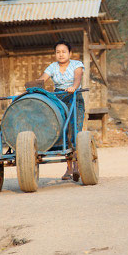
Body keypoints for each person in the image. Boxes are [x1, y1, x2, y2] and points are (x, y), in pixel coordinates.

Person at [36, 39, 85, 180]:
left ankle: (77, 166)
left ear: (70, 53)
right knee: (63, 133)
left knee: (74, 131)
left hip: (74, 97)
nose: (61, 55)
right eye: (58, 52)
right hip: (58, 99)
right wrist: (34, 88)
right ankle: (69, 169)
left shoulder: (77, 64)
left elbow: (77, 78)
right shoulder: (52, 67)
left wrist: (74, 88)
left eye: (64, 52)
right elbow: (42, 79)